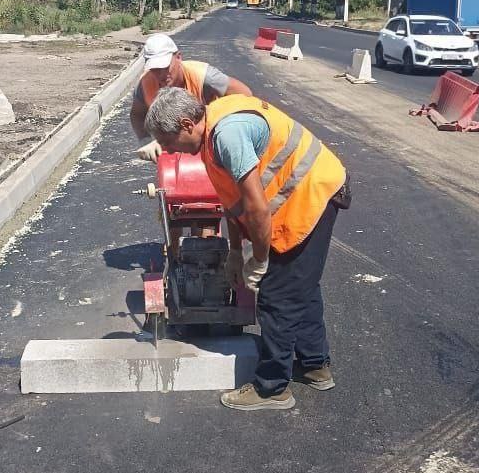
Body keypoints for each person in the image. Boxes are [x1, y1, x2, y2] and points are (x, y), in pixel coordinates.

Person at [145, 87, 349, 412]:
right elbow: (232, 200)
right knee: (300, 286)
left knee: (276, 294)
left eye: (169, 142)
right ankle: (315, 366)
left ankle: (272, 389)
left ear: (186, 124)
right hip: (303, 194)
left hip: (313, 194)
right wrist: (236, 252)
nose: (171, 151)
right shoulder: (211, 129)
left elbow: (256, 207)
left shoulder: (227, 136)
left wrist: (261, 258)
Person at [130, 32, 251, 161]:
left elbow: (245, 96)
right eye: (155, 69)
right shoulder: (145, 84)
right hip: (176, 147)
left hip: (212, 140)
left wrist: (226, 130)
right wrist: (146, 141)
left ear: (178, 57)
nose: (160, 74)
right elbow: (137, 115)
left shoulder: (204, 76)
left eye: (165, 67)